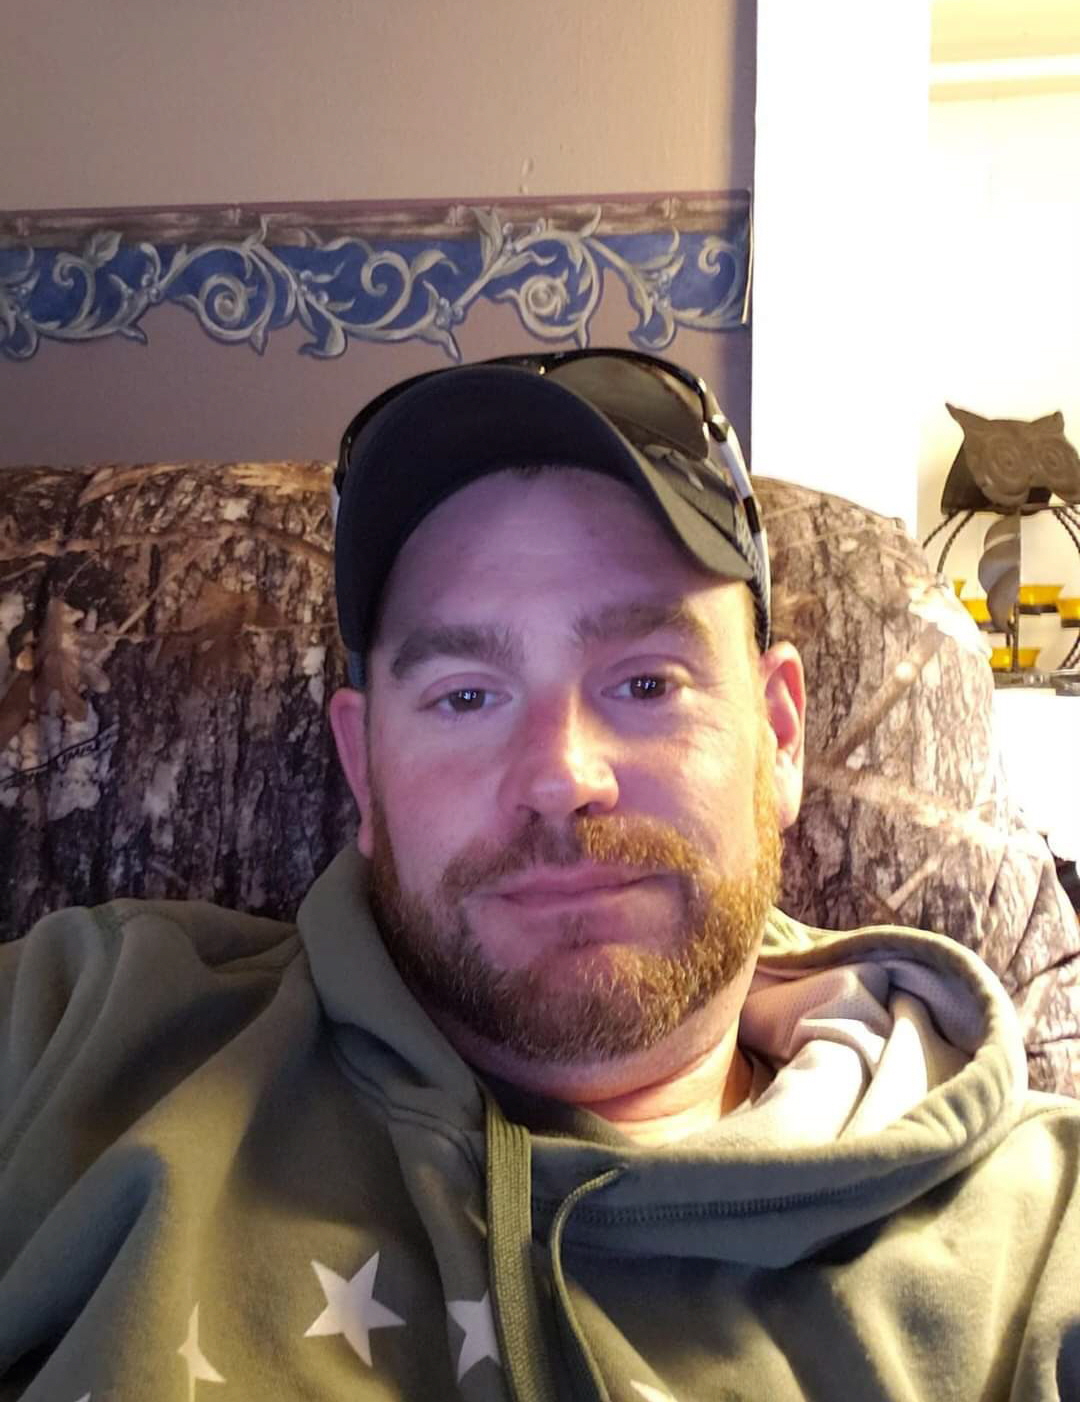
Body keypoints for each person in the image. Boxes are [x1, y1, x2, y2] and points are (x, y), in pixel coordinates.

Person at [0, 351, 1077, 1402]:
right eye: (467, 696)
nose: (562, 777)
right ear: (363, 772)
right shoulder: (76, 1033)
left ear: (780, 737)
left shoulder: (1042, 1238)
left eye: (645, 683)